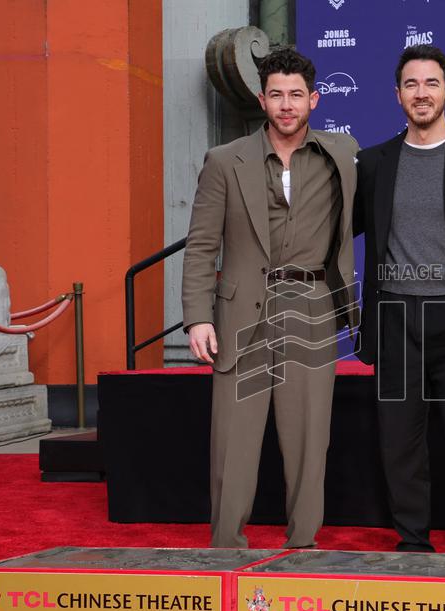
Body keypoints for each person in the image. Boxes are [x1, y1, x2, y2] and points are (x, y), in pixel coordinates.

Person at [181, 47, 360, 548]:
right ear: (262, 99)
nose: (286, 104)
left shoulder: (342, 154)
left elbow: (401, 164)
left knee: (308, 441)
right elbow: (200, 245)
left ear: (314, 100)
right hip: (240, 313)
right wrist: (198, 317)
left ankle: (303, 546)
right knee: (233, 442)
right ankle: (226, 547)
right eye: (277, 94)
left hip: (312, 307)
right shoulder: (223, 161)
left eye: (296, 95)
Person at [354, 46, 445, 554]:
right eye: (412, 84)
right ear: (397, 95)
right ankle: (412, 541)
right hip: (395, 315)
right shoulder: (372, 163)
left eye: (432, 83)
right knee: (400, 440)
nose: (422, 93)